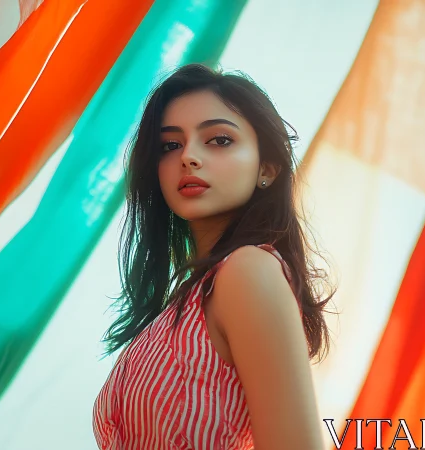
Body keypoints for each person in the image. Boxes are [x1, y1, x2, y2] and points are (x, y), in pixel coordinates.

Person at [92, 63, 335, 450]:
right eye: (170, 145)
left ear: (266, 169)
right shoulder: (185, 301)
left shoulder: (248, 270)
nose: (188, 156)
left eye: (218, 140)